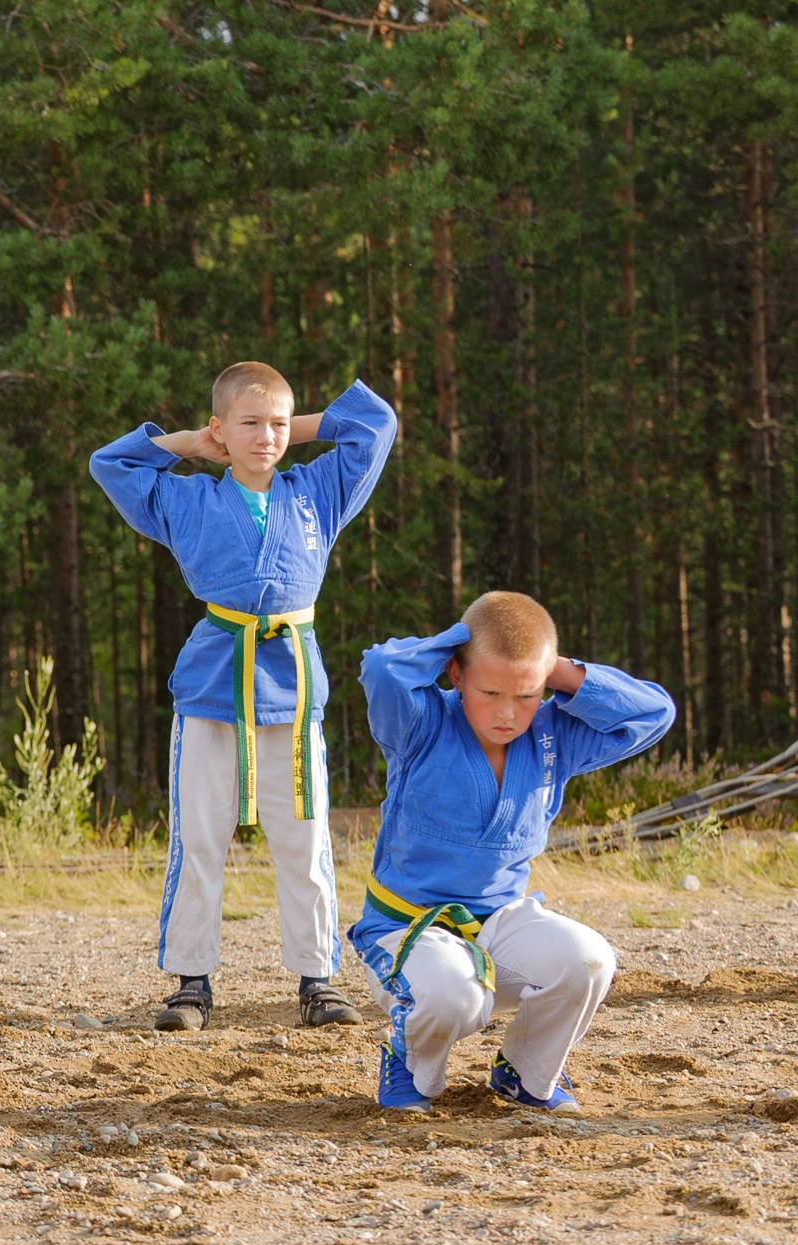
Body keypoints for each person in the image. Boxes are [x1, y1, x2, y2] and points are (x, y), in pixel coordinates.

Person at [90, 363, 397, 1031]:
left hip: (292, 682)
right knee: (198, 836)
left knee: (306, 839)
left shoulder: (319, 490)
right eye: (249, 425)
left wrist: (292, 428)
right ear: (221, 428)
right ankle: (191, 982)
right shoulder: (191, 499)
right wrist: (194, 443)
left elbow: (377, 424)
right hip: (212, 685)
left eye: (277, 425)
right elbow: (110, 464)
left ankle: (317, 979)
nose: (266, 437)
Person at [355, 593, 674, 1112]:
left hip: (501, 925)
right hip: (406, 931)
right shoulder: (420, 724)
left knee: (590, 960)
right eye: (490, 691)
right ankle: (409, 1063)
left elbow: (653, 714)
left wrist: (563, 672)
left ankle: (525, 1073)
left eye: (526, 695)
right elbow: (384, 667)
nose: (508, 713)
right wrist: (460, 641)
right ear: (456, 675)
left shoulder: (554, 737)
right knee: (454, 996)